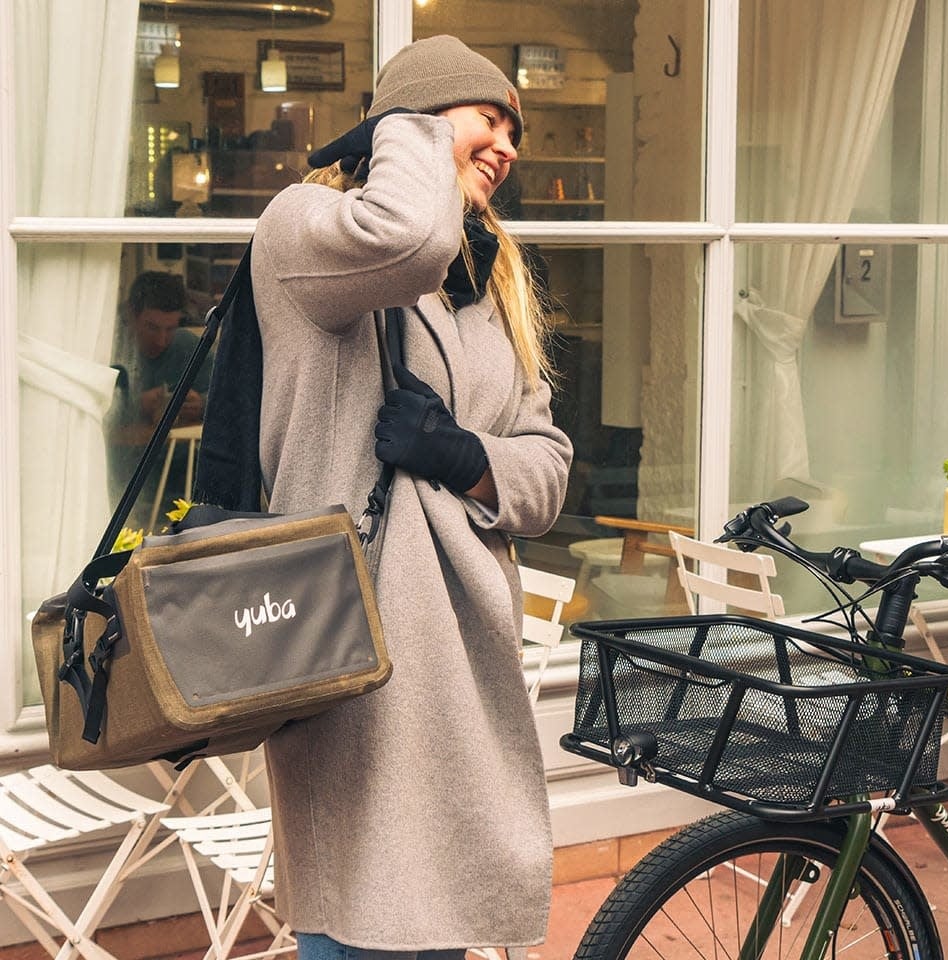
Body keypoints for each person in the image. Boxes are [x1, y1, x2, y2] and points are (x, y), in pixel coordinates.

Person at [251, 35, 573, 960]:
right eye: (487, 118)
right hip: (352, 652)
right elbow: (408, 235)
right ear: (416, 128)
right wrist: (413, 132)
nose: (509, 145)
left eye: (517, 128)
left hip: (466, 659)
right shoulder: (306, 228)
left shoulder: (494, 285)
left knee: (442, 930)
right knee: (361, 926)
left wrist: (466, 455)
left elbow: (547, 466)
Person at [106, 271, 212, 518]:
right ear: (131, 314)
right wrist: (136, 406)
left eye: (170, 328)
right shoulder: (112, 349)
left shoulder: (187, 346)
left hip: (184, 486)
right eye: (152, 327)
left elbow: (228, 399)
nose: (162, 340)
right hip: (122, 486)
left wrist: (202, 404)